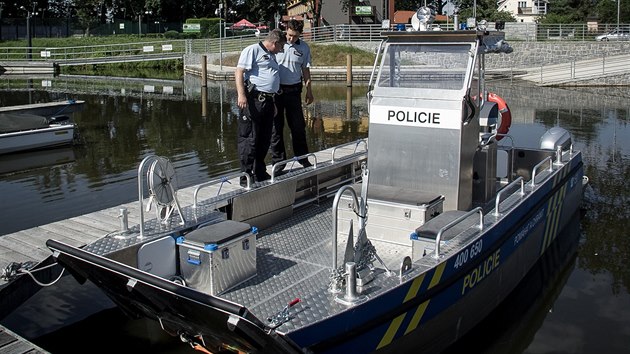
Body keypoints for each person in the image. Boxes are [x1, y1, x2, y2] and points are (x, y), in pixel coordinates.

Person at [235, 29, 286, 187]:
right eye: (281, 47)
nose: (282, 50)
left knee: (264, 138)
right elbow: (239, 72)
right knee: (249, 138)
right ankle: (246, 176)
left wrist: (273, 103)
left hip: (269, 101)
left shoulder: (271, 55)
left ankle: (259, 170)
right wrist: (241, 95)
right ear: (274, 43)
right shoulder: (253, 50)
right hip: (253, 101)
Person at [271, 19, 314, 170]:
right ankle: (278, 162)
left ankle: (303, 158)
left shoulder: (304, 48)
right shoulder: (277, 45)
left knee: (298, 126)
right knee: (276, 128)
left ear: (300, 35)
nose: (291, 39)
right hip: (276, 91)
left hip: (294, 91)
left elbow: (306, 71)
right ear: (286, 30)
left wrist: (309, 91)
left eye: (295, 36)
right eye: (289, 35)